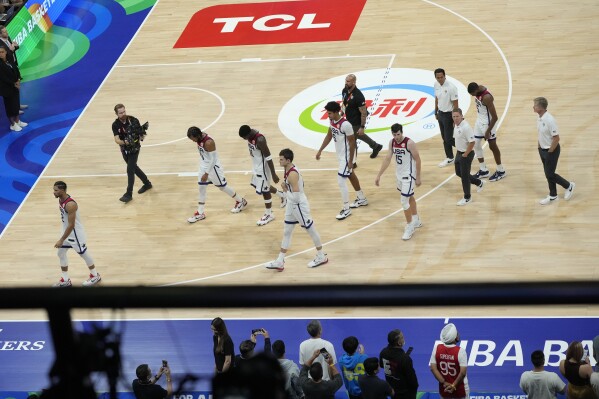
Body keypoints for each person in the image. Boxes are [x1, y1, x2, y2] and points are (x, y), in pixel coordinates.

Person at [265, 148, 328, 272]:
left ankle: (321, 256)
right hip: (292, 204)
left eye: (281, 159)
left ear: (288, 160)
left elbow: (296, 196)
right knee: (287, 231)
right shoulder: (287, 168)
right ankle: (280, 261)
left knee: (310, 229)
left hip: (298, 204)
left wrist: (284, 190)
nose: (279, 161)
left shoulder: (293, 174)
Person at [316, 101, 368, 220]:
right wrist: (320, 150)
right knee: (350, 175)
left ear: (335, 112)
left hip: (347, 156)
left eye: (329, 113)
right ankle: (362, 198)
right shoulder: (332, 121)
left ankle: (346, 209)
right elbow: (329, 135)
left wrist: (350, 161)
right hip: (341, 155)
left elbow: (352, 142)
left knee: (340, 181)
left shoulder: (346, 125)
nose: (328, 115)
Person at [186, 126, 247, 222]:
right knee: (201, 188)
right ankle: (200, 212)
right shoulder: (199, 137)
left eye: (192, 139)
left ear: (197, 135)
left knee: (222, 187)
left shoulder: (209, 142)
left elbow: (213, 160)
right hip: (203, 165)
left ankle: (241, 201)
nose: (192, 141)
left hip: (213, 168)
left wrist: (206, 173)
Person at [374, 123, 422, 240]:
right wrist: (379, 175)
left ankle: (409, 226)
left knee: (403, 202)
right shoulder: (392, 142)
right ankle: (416, 219)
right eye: (394, 134)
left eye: (398, 134)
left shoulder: (409, 143)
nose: (397, 137)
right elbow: (387, 159)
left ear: (402, 132)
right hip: (399, 176)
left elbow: (418, 159)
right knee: (410, 197)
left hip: (409, 176)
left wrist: (418, 177)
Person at [52, 181, 101, 287]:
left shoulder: (70, 204)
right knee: (60, 253)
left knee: (83, 254)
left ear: (62, 190)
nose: (53, 192)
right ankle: (65, 280)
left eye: (56, 190)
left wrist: (61, 239)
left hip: (75, 234)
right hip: (66, 233)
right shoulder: (61, 199)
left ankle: (95, 275)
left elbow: (71, 225)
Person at [238, 124, 284, 225]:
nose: (244, 139)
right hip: (256, 167)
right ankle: (282, 195)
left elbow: (268, 157)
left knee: (265, 191)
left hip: (263, 169)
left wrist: (273, 173)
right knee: (262, 186)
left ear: (248, 134)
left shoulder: (260, 140)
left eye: (244, 137)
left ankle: (269, 214)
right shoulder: (250, 136)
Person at [533, 97, 575, 205]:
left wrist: (550, 152)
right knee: (548, 174)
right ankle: (553, 195)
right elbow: (541, 134)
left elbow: (556, 138)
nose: (533, 107)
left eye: (535, 105)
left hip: (551, 150)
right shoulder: (539, 117)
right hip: (542, 149)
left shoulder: (549, 119)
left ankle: (569, 186)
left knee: (550, 174)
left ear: (541, 108)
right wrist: (539, 146)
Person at [112, 104, 152, 203]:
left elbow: (142, 135)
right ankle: (147, 183)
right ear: (117, 114)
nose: (123, 114)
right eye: (120, 113)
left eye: (124, 111)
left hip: (135, 149)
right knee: (134, 168)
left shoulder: (133, 120)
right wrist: (124, 142)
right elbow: (117, 140)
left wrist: (141, 136)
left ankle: (128, 194)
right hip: (124, 150)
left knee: (130, 169)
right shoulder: (115, 125)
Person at [467, 82, 506, 182]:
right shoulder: (477, 90)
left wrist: (488, 131)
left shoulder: (487, 97)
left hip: (488, 124)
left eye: (473, 94)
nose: (472, 96)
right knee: (475, 143)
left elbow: (495, 117)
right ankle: (483, 170)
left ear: (476, 90)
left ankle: (501, 170)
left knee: (492, 146)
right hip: (479, 121)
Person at [342, 73, 383, 166]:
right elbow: (344, 102)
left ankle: (353, 162)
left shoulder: (358, 96)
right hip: (349, 119)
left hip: (357, 120)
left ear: (354, 82)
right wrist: (342, 112)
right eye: (346, 80)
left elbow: (363, 112)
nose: (346, 83)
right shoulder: (344, 90)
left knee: (352, 140)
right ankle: (376, 146)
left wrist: (362, 126)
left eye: (348, 81)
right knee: (357, 136)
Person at [452, 108, 484, 206]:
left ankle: (467, 197)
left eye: (457, 116)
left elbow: (472, 142)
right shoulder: (456, 125)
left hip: (466, 154)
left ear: (462, 116)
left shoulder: (466, 127)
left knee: (465, 177)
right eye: (454, 116)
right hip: (459, 153)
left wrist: (465, 154)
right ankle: (478, 182)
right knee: (458, 172)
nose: (455, 118)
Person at [429, 323, 469, 399]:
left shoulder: (437, 348)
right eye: (457, 333)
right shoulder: (460, 351)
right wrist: (454, 385)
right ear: (455, 337)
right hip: (460, 389)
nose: (458, 334)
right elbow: (463, 372)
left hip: (444, 389)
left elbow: (433, 368)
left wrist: (444, 383)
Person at [379, 329, 418, 399]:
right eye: (402, 337)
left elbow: (382, 365)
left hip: (392, 390)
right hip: (405, 393)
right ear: (399, 343)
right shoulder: (405, 359)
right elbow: (413, 382)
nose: (404, 338)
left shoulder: (383, 352)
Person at [434, 68, 459, 168]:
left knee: (448, 139)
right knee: (444, 138)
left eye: (441, 77)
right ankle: (449, 157)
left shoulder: (451, 87)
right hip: (440, 114)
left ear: (445, 76)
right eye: (438, 77)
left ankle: (467, 149)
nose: (440, 79)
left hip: (449, 115)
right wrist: (435, 111)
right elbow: (437, 98)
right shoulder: (436, 84)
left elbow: (456, 104)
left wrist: (455, 118)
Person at [0, 46, 26, 132]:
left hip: (15, 86)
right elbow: (3, 77)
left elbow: (16, 69)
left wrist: (18, 79)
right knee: (9, 107)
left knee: (16, 105)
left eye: (2, 52)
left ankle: (18, 121)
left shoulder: (10, 60)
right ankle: (13, 124)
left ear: (6, 52)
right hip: (6, 89)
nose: (1, 54)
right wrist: (14, 84)